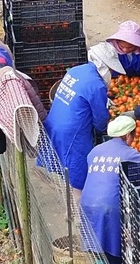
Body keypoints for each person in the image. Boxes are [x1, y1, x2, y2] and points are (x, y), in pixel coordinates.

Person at [79, 116, 140, 264]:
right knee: (114, 253)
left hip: (87, 203)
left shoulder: (95, 151)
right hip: (109, 208)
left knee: (100, 248)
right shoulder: (132, 155)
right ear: (128, 135)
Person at [41, 42, 123, 190]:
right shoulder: (96, 85)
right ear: (104, 67)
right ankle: (75, 210)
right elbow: (100, 121)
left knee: (60, 165)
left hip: (54, 123)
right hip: (73, 133)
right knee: (77, 181)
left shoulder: (75, 71)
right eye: (110, 69)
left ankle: (66, 194)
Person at [107, 21, 140, 95]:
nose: (125, 50)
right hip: (120, 80)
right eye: (122, 46)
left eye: (130, 47)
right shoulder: (112, 48)